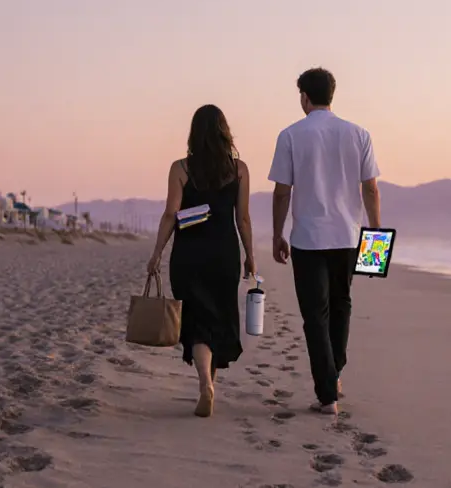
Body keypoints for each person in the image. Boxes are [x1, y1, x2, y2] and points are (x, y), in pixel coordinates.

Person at [269, 68, 381, 415]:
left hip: (307, 238)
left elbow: (282, 192)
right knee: (341, 305)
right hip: (347, 236)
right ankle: (334, 375)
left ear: (304, 96)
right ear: (332, 95)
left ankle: (327, 391)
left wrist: (277, 234)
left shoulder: (290, 135)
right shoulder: (358, 134)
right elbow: (370, 188)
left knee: (315, 315)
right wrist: (376, 236)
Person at [148, 104, 256, 418]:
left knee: (196, 322)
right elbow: (244, 219)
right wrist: (250, 256)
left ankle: (205, 383)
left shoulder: (180, 168)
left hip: (189, 255)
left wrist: (156, 253)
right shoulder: (239, 170)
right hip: (224, 254)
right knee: (218, 317)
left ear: (193, 134)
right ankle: (210, 385)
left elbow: (170, 214)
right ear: (225, 133)